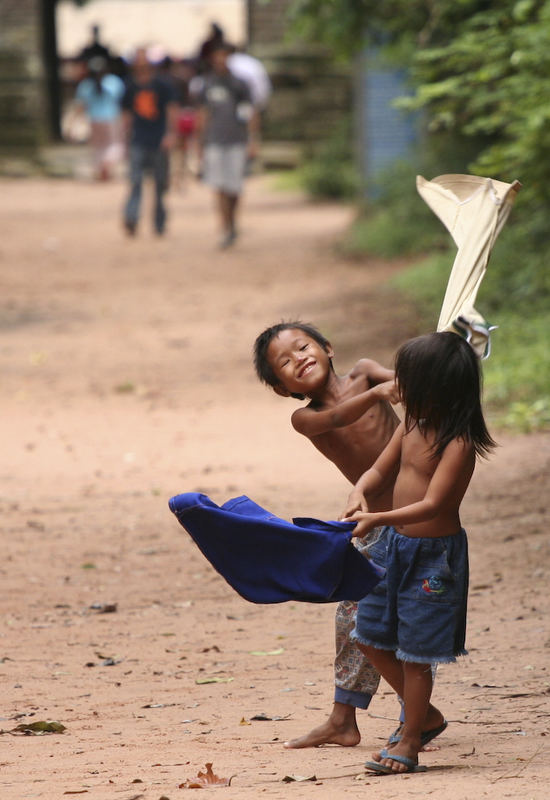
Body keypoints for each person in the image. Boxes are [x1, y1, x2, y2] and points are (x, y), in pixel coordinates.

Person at [341, 331, 495, 774]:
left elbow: (434, 505)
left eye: (406, 381)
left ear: (437, 389)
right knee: (368, 635)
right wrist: (361, 490)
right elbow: (378, 468)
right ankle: (425, 717)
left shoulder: (458, 443)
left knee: (415, 653)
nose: (398, 389)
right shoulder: (410, 425)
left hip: (433, 560)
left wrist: (375, 520)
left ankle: (409, 739)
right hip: (393, 548)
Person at [254, 321, 408, 749]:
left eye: (302, 347)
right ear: (282, 388)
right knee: (354, 620)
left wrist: (405, 384)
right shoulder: (305, 417)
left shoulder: (365, 371)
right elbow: (341, 415)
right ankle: (345, 718)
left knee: (406, 616)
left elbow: (406, 385)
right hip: (375, 524)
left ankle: (413, 715)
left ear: (327, 347)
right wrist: (378, 395)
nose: (298, 358)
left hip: (416, 514)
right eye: (284, 362)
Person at [195, 43, 259, 248]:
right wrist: (200, 142)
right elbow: (202, 114)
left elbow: (251, 113)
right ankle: (225, 226)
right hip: (215, 139)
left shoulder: (240, 84)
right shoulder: (207, 84)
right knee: (219, 185)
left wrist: (253, 139)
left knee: (234, 187)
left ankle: (232, 221)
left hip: (236, 139)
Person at [121, 48, 179, 236]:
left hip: (159, 140)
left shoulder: (162, 85)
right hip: (139, 139)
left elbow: (171, 110)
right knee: (135, 181)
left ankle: (159, 222)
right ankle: (131, 217)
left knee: (160, 183)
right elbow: (127, 115)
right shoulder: (130, 86)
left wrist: (170, 134)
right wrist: (125, 140)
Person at [71, 56, 125, 181]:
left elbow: (81, 106)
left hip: (94, 119)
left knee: (99, 146)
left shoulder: (85, 85)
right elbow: (122, 102)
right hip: (111, 118)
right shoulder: (114, 82)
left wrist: (72, 122)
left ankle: (102, 168)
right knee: (113, 144)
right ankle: (106, 165)